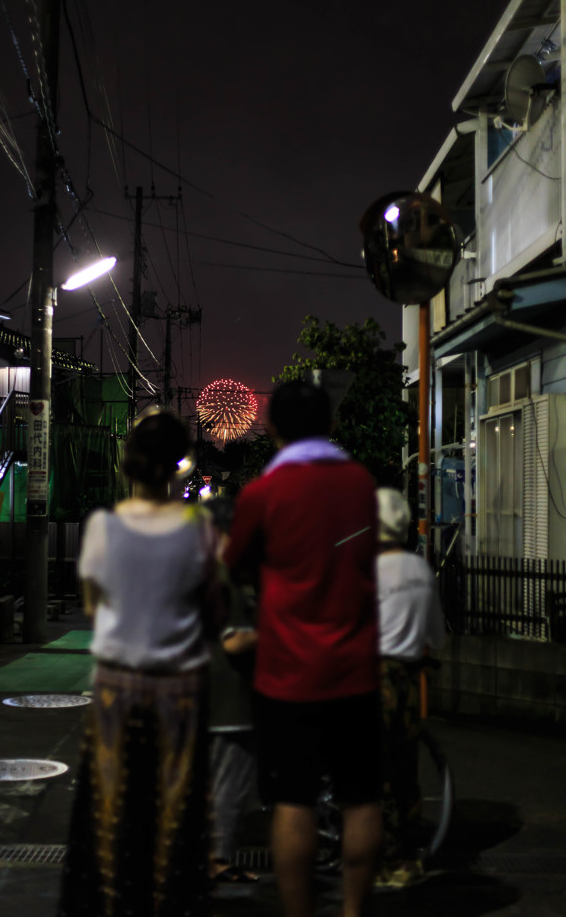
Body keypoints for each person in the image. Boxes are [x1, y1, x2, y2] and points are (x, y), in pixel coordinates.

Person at [58, 409, 225, 917]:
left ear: (128, 463)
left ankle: (111, 903)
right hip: (181, 685)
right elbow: (214, 611)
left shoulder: (103, 528)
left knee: (113, 812)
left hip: (115, 686)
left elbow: (94, 604)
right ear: (180, 467)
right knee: (175, 814)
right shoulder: (200, 530)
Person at [224, 379, 382, 917]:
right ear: (333, 426)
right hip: (356, 669)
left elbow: (234, 562)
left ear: (270, 430)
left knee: (292, 799)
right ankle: (354, 910)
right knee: (361, 797)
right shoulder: (362, 484)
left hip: (287, 673)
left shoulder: (263, 494)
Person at [374, 486, 446, 889]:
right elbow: (436, 638)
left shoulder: (363, 570)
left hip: (367, 679)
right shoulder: (421, 573)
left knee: (374, 774)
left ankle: (377, 861)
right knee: (405, 772)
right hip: (406, 682)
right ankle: (406, 856)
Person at [205, 496, 259, 884]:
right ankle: (219, 860)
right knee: (230, 785)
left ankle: (211, 856)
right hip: (230, 699)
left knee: (214, 784)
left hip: (210, 694)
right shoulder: (227, 575)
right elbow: (232, 642)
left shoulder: (206, 573)